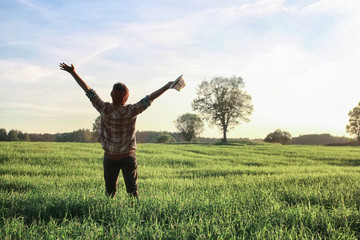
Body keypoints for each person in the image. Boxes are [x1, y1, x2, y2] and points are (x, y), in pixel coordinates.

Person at [60, 62, 175, 199]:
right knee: (132, 192)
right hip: (128, 157)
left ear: (111, 95)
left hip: (110, 157)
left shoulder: (104, 109)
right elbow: (150, 98)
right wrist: (168, 86)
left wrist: (73, 72)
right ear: (126, 98)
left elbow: (88, 91)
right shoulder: (131, 111)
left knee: (109, 192)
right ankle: (136, 215)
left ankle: (109, 217)